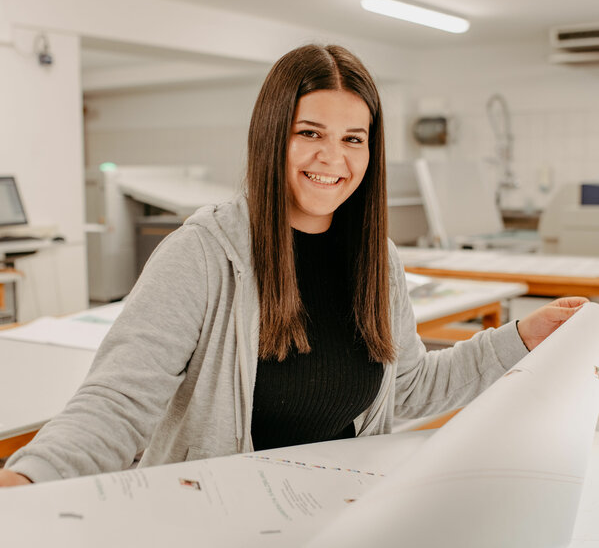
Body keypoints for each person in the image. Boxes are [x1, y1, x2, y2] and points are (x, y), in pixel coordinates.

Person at [0, 44, 586, 488]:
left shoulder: (376, 260)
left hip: (332, 511)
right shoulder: (203, 254)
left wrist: (520, 338)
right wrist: (27, 480)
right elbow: (118, 403)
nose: (333, 157)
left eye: (354, 139)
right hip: (214, 516)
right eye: (311, 133)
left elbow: (404, 389)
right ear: (271, 135)